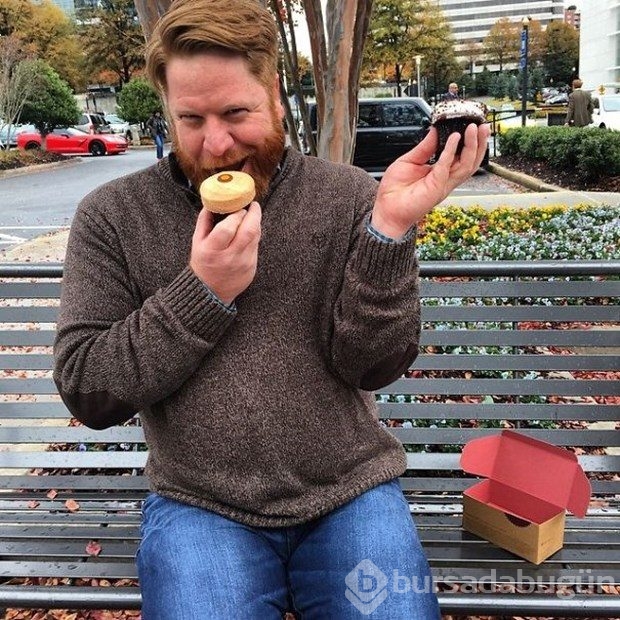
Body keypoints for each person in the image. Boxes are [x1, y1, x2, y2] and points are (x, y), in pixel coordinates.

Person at [53, 0, 488, 617]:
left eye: (236, 113)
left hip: (349, 490)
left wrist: (387, 231)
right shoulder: (114, 217)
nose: (217, 143)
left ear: (277, 97)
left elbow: (374, 366)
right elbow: (87, 390)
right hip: (199, 503)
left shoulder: (346, 197)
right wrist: (203, 292)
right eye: (190, 119)